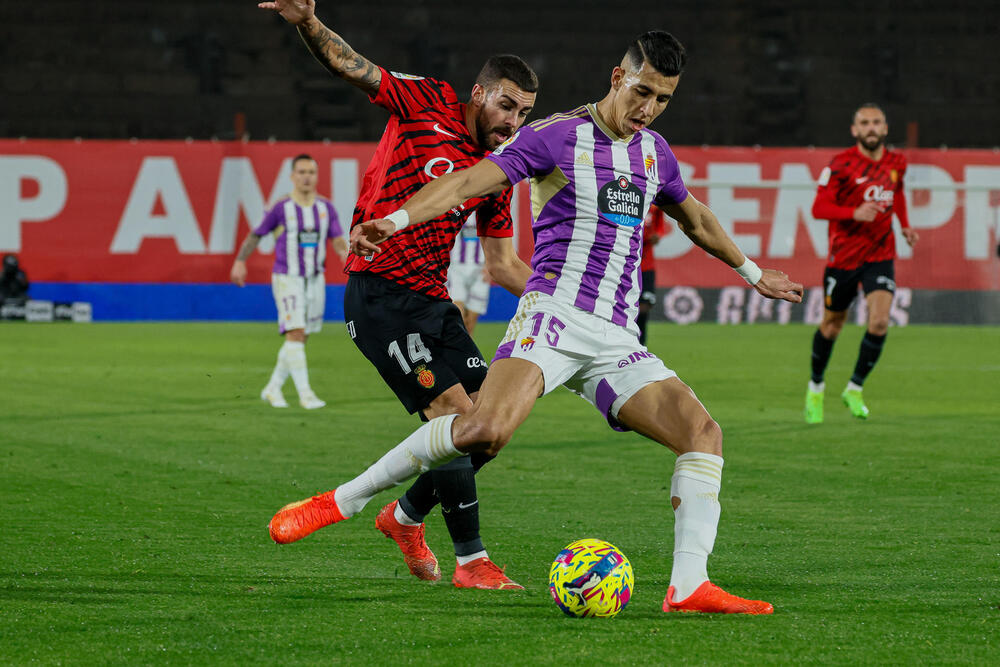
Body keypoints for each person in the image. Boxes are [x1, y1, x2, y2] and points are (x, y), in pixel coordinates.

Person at [268, 30, 804, 614]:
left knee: (703, 435)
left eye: (664, 100)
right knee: (480, 429)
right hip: (551, 315)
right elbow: (468, 181)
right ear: (617, 77)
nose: (648, 109)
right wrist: (395, 220)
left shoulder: (655, 152)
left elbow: (695, 218)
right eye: (643, 92)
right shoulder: (554, 135)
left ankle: (689, 586)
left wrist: (754, 273)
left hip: (615, 336)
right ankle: (342, 502)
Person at [259, 0, 537, 589]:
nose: (514, 121)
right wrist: (309, 23)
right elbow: (354, 67)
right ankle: (472, 562)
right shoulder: (426, 100)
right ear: (479, 93)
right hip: (379, 295)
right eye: (507, 104)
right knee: (457, 417)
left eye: (525, 112)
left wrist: (564, 294)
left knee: (491, 427)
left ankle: (404, 516)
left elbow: (501, 263)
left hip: (433, 303)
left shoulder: (496, 170)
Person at [804, 103, 919, 424]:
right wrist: (853, 213)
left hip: (880, 255)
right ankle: (816, 387)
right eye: (864, 123)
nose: (871, 127)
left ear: (885, 128)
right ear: (855, 130)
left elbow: (897, 195)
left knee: (880, 322)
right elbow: (818, 207)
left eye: (876, 122)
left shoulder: (897, 163)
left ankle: (854, 388)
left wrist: (905, 225)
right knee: (831, 326)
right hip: (843, 258)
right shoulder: (840, 165)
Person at [230, 153, 348, 410]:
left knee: (300, 337)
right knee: (295, 332)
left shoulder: (325, 208)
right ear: (292, 176)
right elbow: (256, 235)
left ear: (317, 176)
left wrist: (346, 257)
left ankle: (272, 389)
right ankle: (306, 395)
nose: (307, 177)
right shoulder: (281, 208)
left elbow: (338, 239)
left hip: (315, 279)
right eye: (302, 172)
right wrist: (240, 261)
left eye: (311, 172)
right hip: (288, 277)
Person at [447, 215, 492, 335]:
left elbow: (495, 237)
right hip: (456, 268)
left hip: (480, 270)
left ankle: (468, 352)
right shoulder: (455, 207)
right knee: (457, 317)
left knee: (470, 323)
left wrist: (490, 263)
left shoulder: (485, 208)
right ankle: (457, 351)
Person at [637, 204, 667, 344]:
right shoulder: (625, 202)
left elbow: (660, 227)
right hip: (627, 265)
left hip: (647, 267)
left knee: (643, 309)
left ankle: (641, 345)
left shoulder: (655, 207)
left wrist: (657, 235)